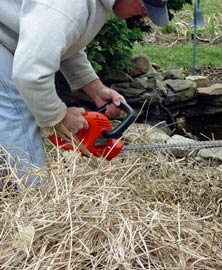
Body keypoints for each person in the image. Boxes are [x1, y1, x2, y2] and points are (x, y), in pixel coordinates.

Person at [0, 0, 169, 185]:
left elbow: (62, 41)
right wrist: (59, 117)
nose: (145, 13)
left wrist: (95, 88)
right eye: (144, 4)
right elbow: (29, 75)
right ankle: (35, 200)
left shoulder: (91, 6)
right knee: (18, 110)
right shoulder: (68, 6)